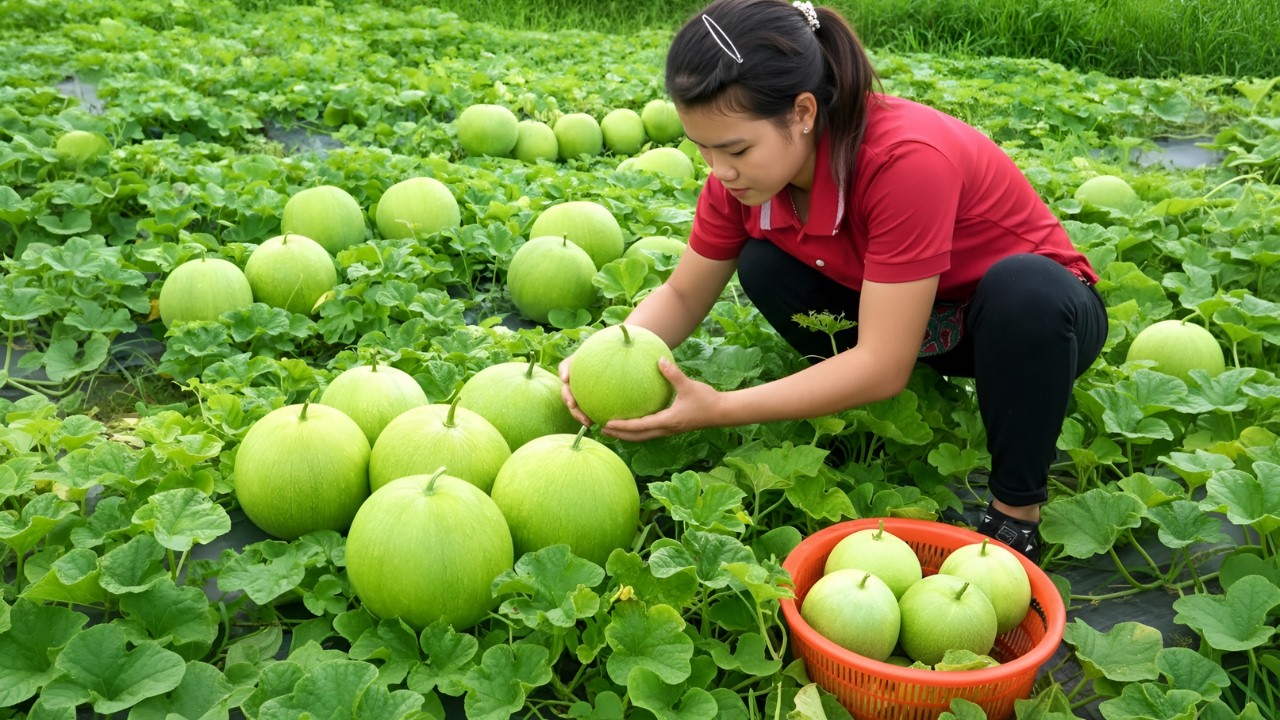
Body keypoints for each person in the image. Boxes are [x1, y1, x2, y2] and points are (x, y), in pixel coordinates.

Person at [559, 0, 1108, 562]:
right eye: (702, 147)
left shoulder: (904, 158)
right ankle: (848, 393)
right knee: (765, 266)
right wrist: (600, 355)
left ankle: (1015, 515)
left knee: (1025, 293)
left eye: (736, 149)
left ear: (802, 111)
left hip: (1031, 326)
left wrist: (721, 406)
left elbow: (882, 366)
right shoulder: (736, 182)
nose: (718, 170)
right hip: (912, 318)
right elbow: (680, 294)